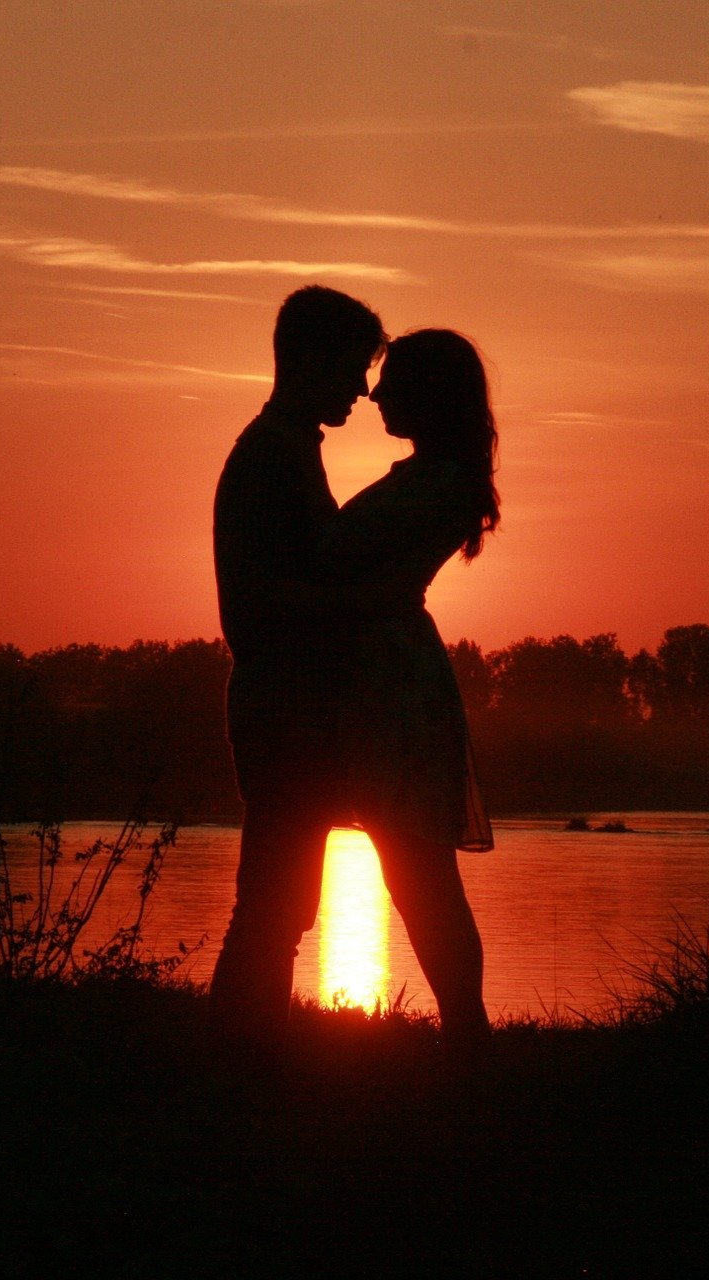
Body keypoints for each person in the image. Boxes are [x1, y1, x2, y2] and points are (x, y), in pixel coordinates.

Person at [209, 285, 386, 1054]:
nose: (361, 388)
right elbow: (254, 601)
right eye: (352, 368)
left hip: (290, 706)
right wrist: (367, 602)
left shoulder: (284, 450)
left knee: (280, 906)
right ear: (308, 360)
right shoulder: (270, 456)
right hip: (282, 708)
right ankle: (241, 1066)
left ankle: (246, 1059)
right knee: (272, 905)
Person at [320, 328, 498, 1052]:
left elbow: (352, 563)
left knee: (420, 866)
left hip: (394, 684)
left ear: (430, 394)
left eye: (394, 381)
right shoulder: (426, 476)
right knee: (411, 865)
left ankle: (467, 1029)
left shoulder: (447, 484)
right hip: (376, 674)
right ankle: (466, 1033)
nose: (377, 394)